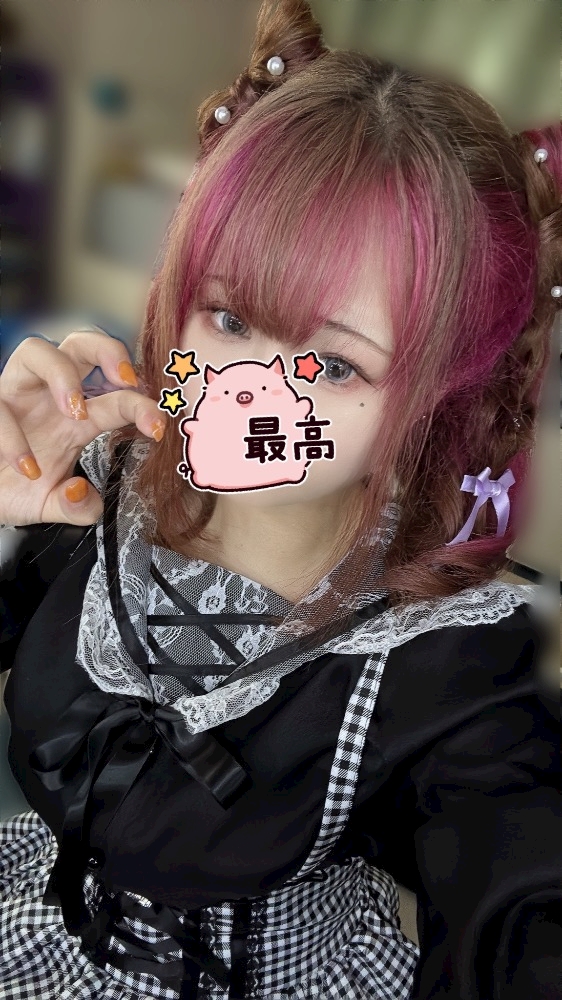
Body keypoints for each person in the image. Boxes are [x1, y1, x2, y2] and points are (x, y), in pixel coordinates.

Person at [0, 1, 560, 997]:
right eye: (227, 317)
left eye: (333, 366)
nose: (244, 392)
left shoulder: (451, 664)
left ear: (432, 396)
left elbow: (516, 896)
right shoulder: (95, 487)